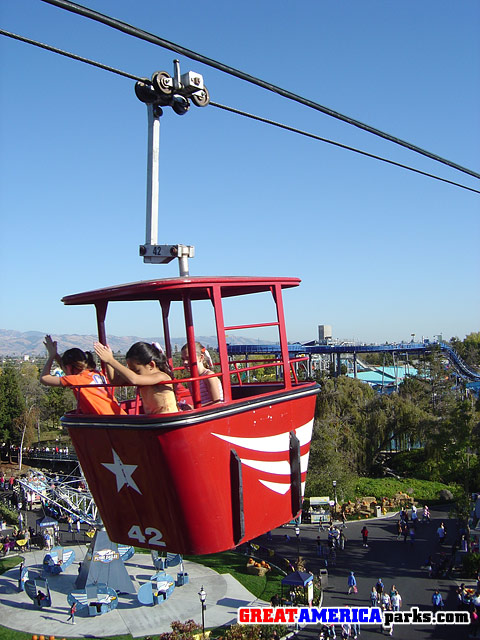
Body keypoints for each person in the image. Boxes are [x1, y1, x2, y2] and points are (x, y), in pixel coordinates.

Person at [41, 335, 125, 415]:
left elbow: (44, 378)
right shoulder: (96, 373)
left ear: (69, 367)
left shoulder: (77, 380)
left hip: (107, 421)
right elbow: (68, 371)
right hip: (118, 415)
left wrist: (51, 356)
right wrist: (56, 355)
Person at [94, 341, 177, 414]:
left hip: (167, 417)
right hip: (152, 419)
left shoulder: (161, 376)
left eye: (136, 371)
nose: (132, 373)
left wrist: (111, 360)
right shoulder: (140, 376)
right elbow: (115, 381)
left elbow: (134, 379)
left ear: (151, 365)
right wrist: (108, 362)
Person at [180, 342, 224, 406]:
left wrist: (194, 408)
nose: (185, 362)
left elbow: (217, 402)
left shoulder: (209, 376)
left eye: (189, 358)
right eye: (183, 359)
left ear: (201, 357)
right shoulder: (191, 381)